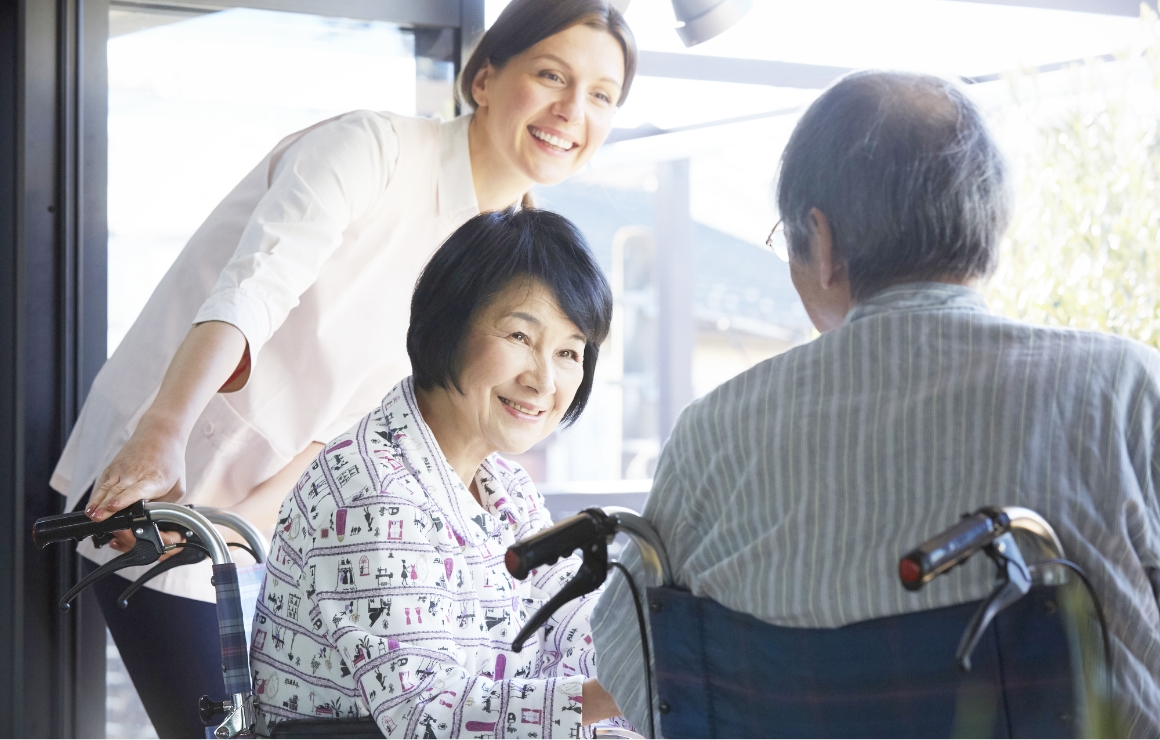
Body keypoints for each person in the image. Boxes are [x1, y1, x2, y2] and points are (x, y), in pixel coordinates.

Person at [51, 1, 636, 735]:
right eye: (552, 75)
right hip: (168, 457)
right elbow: (255, 289)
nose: (571, 110)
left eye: (603, 96)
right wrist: (163, 429)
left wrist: (242, 527)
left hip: (284, 508)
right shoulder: (374, 151)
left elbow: (337, 443)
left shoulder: (518, 268)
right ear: (484, 76)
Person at [591, 70, 1160, 736]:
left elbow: (637, 671)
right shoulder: (1119, 389)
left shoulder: (711, 436)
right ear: (989, 228)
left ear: (822, 240)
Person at [251, 208, 620, 737]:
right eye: (520, 336)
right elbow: (429, 717)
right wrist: (607, 697)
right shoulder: (372, 489)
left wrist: (659, 657)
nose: (543, 380)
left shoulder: (504, 488)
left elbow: (571, 625)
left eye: (568, 352)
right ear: (449, 324)